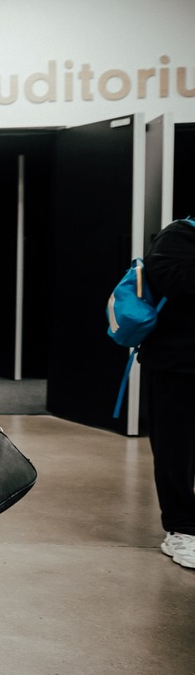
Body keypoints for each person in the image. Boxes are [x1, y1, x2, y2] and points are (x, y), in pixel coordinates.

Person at [140, 215, 195, 569]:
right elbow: (172, 281)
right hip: (178, 366)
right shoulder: (179, 235)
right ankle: (181, 529)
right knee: (176, 452)